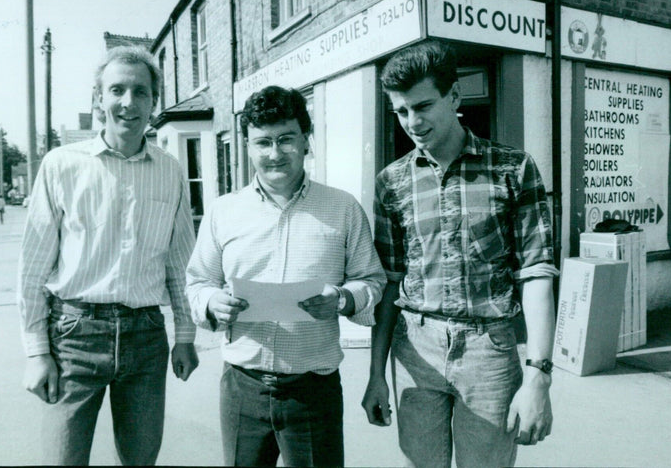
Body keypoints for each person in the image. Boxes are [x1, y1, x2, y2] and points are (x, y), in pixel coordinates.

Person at [361, 40, 558, 468]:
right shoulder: (391, 182)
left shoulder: (513, 169)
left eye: (423, 106)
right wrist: (376, 375)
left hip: (489, 351)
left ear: (455, 96)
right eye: (401, 110)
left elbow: (537, 272)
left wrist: (539, 377)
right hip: (415, 348)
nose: (413, 121)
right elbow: (390, 282)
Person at [17, 45, 199, 466]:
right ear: (98, 99)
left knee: (140, 461)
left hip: (146, 337)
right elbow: (32, 269)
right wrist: (37, 352)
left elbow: (180, 261)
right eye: (116, 90)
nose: (128, 102)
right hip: (73, 337)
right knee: (64, 460)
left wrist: (185, 336)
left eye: (140, 91)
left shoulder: (170, 170)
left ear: (154, 102)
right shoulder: (62, 164)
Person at [186, 85, 386, 467]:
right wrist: (213, 302)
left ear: (306, 140)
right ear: (247, 145)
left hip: (312, 390)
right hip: (243, 387)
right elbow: (198, 282)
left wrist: (342, 299)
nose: (274, 154)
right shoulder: (223, 211)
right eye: (263, 142)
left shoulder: (342, 208)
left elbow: (372, 281)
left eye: (286, 139)